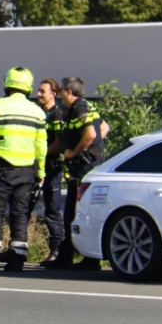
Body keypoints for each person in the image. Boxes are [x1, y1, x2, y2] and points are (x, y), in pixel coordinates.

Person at [0, 67, 47, 273]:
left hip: (3, 170)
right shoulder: (38, 112)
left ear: (8, 83)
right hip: (27, 172)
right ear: (28, 86)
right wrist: (41, 173)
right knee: (20, 214)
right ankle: (17, 260)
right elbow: (42, 146)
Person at [43, 76, 106, 271]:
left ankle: (81, 257)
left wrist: (76, 151)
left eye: (61, 90)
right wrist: (93, 150)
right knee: (77, 211)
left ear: (69, 92)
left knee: (74, 211)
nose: (60, 94)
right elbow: (104, 128)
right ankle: (74, 254)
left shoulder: (78, 108)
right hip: (86, 166)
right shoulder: (86, 106)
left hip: (82, 168)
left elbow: (91, 134)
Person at [36, 78, 65, 264]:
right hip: (37, 167)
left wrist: (40, 152)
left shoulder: (57, 115)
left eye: (42, 91)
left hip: (52, 168)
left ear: (53, 94)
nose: (38, 94)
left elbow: (59, 143)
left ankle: (58, 251)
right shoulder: (39, 114)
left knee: (52, 210)